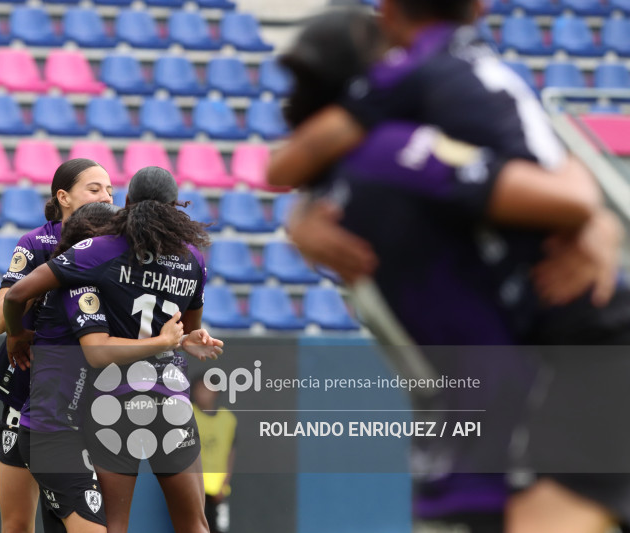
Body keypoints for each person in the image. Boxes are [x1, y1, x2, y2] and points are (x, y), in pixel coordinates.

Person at [277, 9, 630, 533]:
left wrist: (593, 220)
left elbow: (282, 169)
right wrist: (592, 215)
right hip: (526, 379)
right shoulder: (395, 153)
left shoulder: (333, 193)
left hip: (492, 392)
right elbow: (564, 192)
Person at [268, 0, 617, 310]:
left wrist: (592, 218)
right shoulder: (476, 72)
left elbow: (285, 167)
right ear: (481, 7)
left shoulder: (415, 78)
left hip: (564, 313)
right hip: (561, 308)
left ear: (388, 11)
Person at [3, 166, 221, 533]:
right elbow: (188, 327)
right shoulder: (193, 259)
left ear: (128, 204)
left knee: (114, 524)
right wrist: (181, 340)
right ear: (175, 206)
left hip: (113, 403)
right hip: (170, 400)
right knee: (194, 524)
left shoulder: (102, 250)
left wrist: (16, 334)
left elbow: (17, 294)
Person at [0, 158, 113, 533]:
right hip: (26, 393)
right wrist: (53, 279)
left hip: (83, 402)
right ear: (64, 197)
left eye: (110, 190)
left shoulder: (111, 249)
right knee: (17, 524)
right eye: (95, 189)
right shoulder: (36, 242)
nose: (106, 197)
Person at [16, 202, 120, 533]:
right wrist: (164, 342)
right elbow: (99, 352)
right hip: (52, 435)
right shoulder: (79, 289)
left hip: (68, 434)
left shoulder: (94, 289)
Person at [191, 371, 237, 533]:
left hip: (218, 490)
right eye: (199, 388)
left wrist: (223, 484)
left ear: (216, 392)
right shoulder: (187, 414)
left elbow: (231, 452)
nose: (202, 393)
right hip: (192, 488)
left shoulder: (228, 419)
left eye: (207, 389)